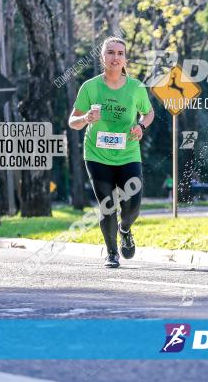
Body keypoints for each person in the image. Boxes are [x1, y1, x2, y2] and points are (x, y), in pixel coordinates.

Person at [68, 36, 155, 268]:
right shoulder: (90, 87)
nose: (115, 57)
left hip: (128, 154)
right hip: (97, 155)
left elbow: (149, 113)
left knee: (133, 206)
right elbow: (72, 121)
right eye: (110, 52)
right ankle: (112, 253)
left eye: (120, 53)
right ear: (102, 57)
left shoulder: (136, 87)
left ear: (125, 58)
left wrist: (141, 126)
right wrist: (86, 118)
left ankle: (125, 229)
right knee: (107, 205)